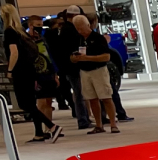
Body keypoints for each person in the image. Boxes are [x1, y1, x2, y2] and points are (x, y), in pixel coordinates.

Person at [4, 4, 63, 142]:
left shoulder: (10, 32)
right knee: (31, 102)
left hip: (20, 71)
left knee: (25, 104)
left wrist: (10, 70)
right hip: (30, 70)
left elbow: (14, 52)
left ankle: (52, 126)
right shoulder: (21, 32)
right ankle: (39, 133)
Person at [46, 5, 91, 129]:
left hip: (68, 66)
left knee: (79, 93)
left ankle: (83, 118)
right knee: (80, 94)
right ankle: (83, 120)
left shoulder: (64, 29)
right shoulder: (70, 30)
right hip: (73, 66)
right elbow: (72, 48)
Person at [72, 14, 117, 134]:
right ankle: (98, 125)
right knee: (91, 99)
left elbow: (106, 57)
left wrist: (87, 58)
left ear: (88, 25)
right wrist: (74, 58)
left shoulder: (98, 38)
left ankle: (113, 124)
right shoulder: (78, 39)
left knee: (106, 97)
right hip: (84, 71)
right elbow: (72, 56)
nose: (80, 31)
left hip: (99, 70)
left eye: (81, 28)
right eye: (77, 28)